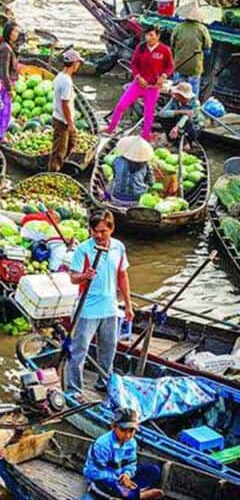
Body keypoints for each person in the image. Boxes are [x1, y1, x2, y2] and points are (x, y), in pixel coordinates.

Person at [67, 210, 132, 397]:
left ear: (111, 229)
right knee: (79, 350)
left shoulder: (118, 248)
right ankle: (74, 389)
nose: (98, 235)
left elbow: (122, 275)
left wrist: (128, 304)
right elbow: (73, 278)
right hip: (87, 309)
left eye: (103, 231)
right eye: (95, 231)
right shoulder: (83, 250)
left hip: (109, 308)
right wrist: (84, 276)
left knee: (108, 349)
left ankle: (104, 383)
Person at [105, 26, 174, 141]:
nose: (149, 38)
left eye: (152, 35)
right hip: (138, 84)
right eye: (147, 35)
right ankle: (111, 128)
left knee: (149, 112)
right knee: (121, 105)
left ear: (158, 36)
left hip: (153, 87)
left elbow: (170, 66)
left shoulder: (165, 50)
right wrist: (138, 77)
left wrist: (163, 76)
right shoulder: (141, 48)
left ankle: (146, 134)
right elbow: (134, 64)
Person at [85, 408, 165, 500]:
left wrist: (127, 475)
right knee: (100, 486)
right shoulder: (103, 444)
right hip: (102, 479)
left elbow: (131, 464)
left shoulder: (132, 443)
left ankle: (128, 493)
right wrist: (119, 479)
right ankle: (138, 495)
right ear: (114, 427)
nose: (127, 435)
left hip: (121, 479)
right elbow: (93, 473)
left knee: (153, 470)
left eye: (131, 431)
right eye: (123, 430)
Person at [49, 49, 84, 172]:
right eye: (78, 63)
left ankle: (60, 168)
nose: (78, 66)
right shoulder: (66, 81)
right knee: (59, 151)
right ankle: (53, 173)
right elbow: (65, 104)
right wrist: (70, 124)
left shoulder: (60, 76)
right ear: (74, 64)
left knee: (70, 144)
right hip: (62, 121)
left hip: (59, 117)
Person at [171, 2, 211, 97]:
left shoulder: (178, 27)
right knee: (193, 91)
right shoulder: (202, 29)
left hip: (180, 63)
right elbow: (207, 46)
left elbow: (172, 44)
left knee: (177, 88)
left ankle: (176, 103)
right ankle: (192, 107)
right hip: (194, 66)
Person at [0, 21, 20, 138]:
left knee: (2, 109)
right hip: (3, 84)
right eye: (14, 31)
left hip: (2, 83)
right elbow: (4, 71)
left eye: (17, 32)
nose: (16, 34)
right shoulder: (6, 49)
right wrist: (9, 89)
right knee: (4, 111)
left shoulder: (5, 46)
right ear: (8, 32)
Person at [109, 136, 155, 206]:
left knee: (111, 181)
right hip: (137, 200)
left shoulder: (117, 160)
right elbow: (151, 182)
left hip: (116, 198)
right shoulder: (146, 165)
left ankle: (106, 197)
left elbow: (115, 176)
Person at [157, 81, 202, 148]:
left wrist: (177, 127)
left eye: (177, 94)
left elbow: (186, 117)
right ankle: (172, 140)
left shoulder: (195, 103)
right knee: (163, 118)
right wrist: (180, 111)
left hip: (192, 126)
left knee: (188, 122)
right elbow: (162, 113)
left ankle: (189, 142)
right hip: (178, 120)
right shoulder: (175, 99)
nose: (175, 95)